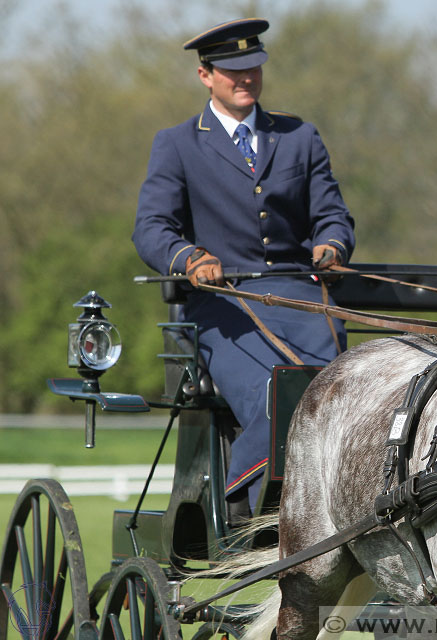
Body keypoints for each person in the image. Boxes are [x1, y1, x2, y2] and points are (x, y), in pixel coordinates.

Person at [133, 18, 356, 518]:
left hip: (303, 297)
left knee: (336, 390)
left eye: (253, 67)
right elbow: (151, 227)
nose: (246, 78)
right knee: (277, 388)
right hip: (224, 304)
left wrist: (332, 244)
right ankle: (251, 506)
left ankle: (339, 505)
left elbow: (332, 214)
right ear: (205, 76)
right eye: (233, 71)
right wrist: (189, 258)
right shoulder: (178, 144)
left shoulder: (299, 137)